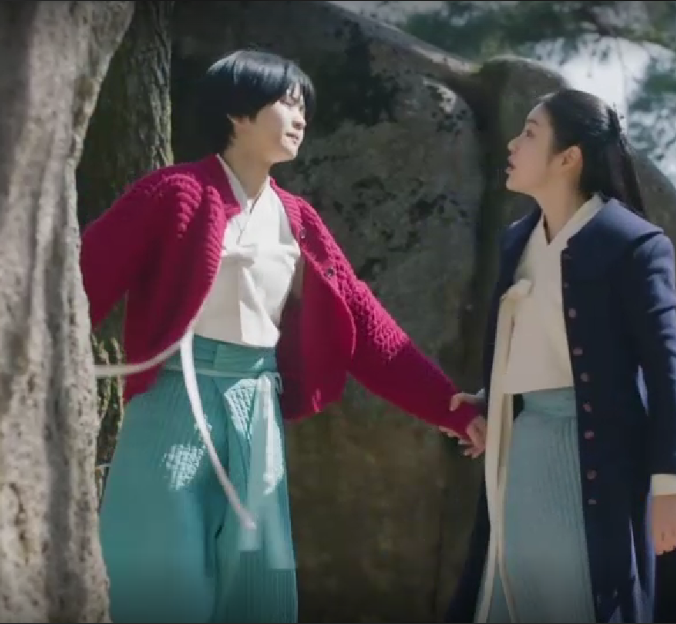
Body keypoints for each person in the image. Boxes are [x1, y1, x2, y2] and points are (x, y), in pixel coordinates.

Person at [79, 49, 488, 624]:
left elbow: (369, 328)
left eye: (304, 107)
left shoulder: (298, 219)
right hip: (173, 401)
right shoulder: (172, 192)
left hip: (257, 409)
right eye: (287, 103)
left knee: (256, 590)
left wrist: (451, 408)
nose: (300, 117)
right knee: (159, 576)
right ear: (237, 112)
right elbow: (80, 284)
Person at [442, 88, 676, 624]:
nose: (513, 144)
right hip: (522, 455)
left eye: (530, 133)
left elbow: (667, 369)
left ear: (568, 158)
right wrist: (493, 401)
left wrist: (670, 485)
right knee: (509, 595)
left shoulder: (633, 244)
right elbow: (534, 343)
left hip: (595, 464)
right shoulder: (518, 241)